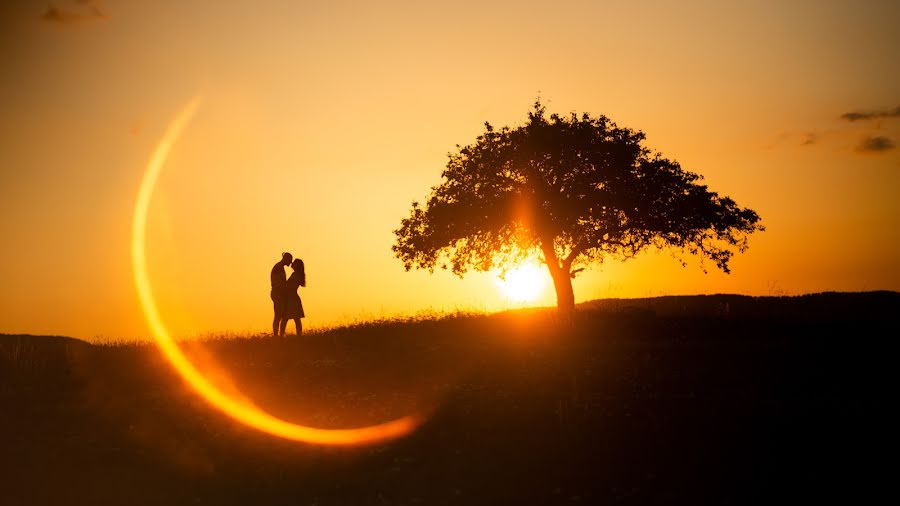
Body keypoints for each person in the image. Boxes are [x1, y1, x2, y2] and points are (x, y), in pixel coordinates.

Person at [281, 258, 306, 336]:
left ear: (297, 265)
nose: (292, 264)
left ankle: (281, 336)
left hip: (291, 298)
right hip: (293, 298)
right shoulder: (298, 274)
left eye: (294, 263)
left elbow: (289, 286)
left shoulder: (295, 275)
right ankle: (298, 336)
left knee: (285, 318)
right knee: (296, 319)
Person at [270, 252, 292, 336]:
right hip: (277, 294)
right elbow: (277, 283)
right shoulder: (278, 267)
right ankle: (276, 336)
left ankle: (280, 336)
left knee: (282, 316)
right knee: (278, 316)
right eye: (290, 260)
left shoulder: (280, 267)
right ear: (286, 258)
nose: (290, 263)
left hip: (280, 294)